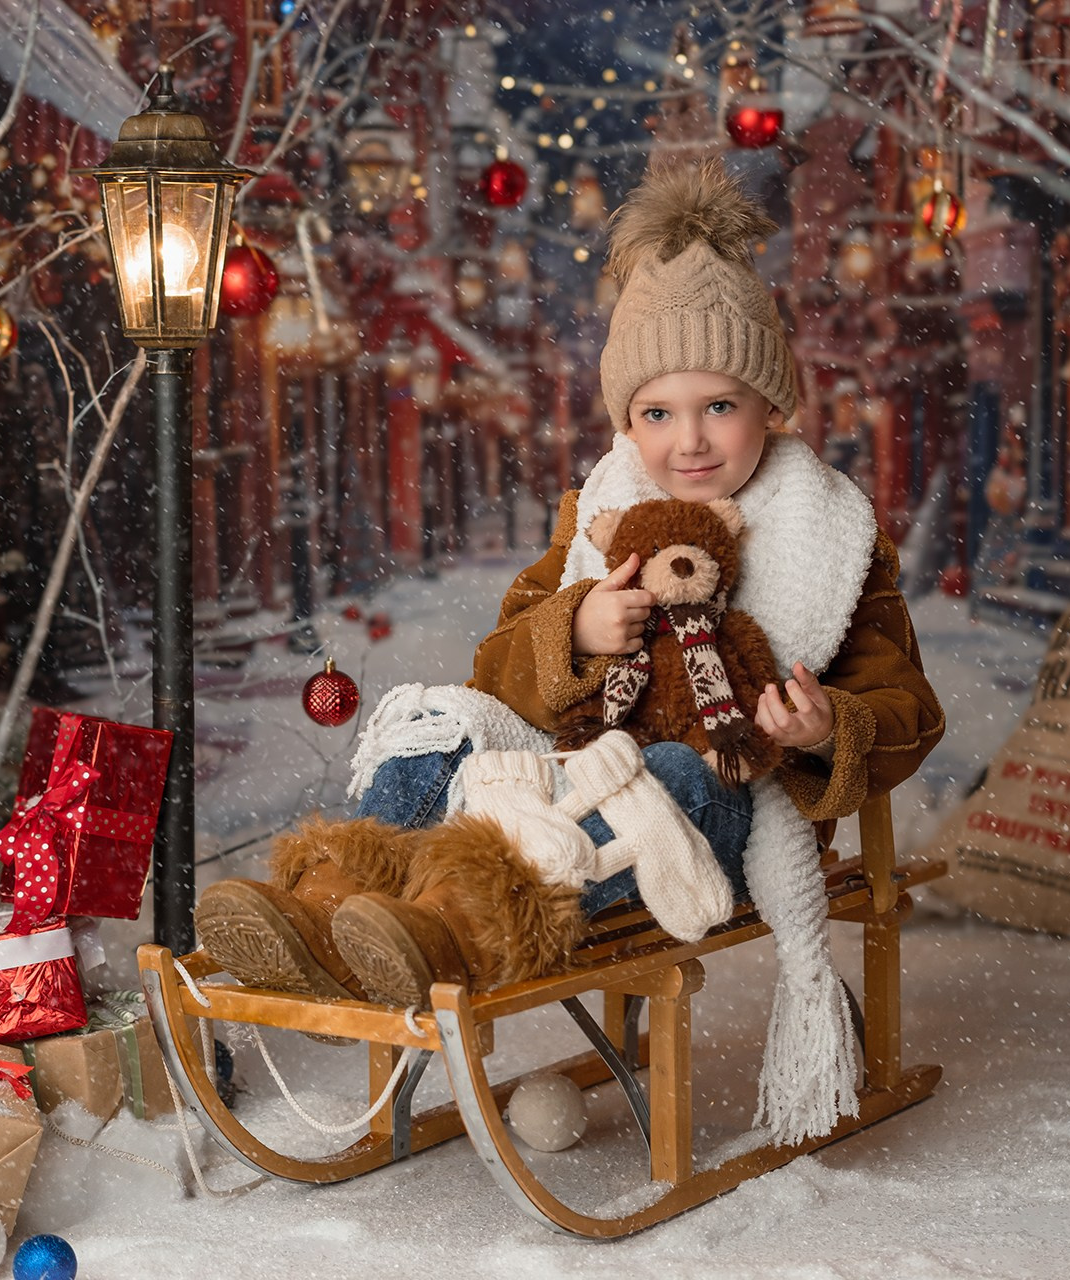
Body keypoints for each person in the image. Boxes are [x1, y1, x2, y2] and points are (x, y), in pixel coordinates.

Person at [194, 160, 944, 1116]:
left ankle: (453, 924)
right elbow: (499, 670)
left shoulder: (832, 532)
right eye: (658, 414)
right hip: (569, 777)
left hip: (718, 818)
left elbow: (908, 709)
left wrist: (823, 727)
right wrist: (575, 631)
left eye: (721, 405)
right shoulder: (599, 512)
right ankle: (335, 894)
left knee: (673, 770)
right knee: (448, 722)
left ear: (772, 406)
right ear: (628, 422)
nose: (692, 442)